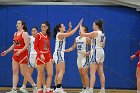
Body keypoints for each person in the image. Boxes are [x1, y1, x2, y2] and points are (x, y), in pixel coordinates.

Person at [1, 20, 36, 93]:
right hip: (15, 54)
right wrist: (6, 51)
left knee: (24, 72)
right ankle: (14, 89)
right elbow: (14, 45)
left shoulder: (24, 33)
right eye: (16, 23)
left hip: (22, 54)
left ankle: (34, 86)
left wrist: (20, 51)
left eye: (19, 23)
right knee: (15, 72)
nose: (17, 24)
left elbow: (26, 45)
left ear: (22, 25)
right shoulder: (15, 33)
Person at [53, 19, 83, 93]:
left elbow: (67, 33)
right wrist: (78, 25)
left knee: (58, 72)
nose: (64, 26)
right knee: (62, 71)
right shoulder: (59, 34)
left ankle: (56, 88)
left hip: (57, 53)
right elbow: (69, 34)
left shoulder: (60, 34)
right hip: (59, 53)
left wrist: (70, 28)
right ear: (59, 28)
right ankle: (58, 88)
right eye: (63, 26)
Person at [80, 19, 106, 93]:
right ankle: (103, 89)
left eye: (93, 25)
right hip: (101, 52)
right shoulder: (103, 34)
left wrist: (80, 26)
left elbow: (83, 34)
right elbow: (103, 45)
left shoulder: (95, 32)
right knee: (101, 72)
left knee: (92, 73)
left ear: (97, 26)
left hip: (96, 51)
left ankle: (91, 89)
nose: (92, 26)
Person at [64, 26, 90, 93]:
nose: (80, 31)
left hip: (85, 57)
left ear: (85, 31)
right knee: (81, 74)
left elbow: (94, 46)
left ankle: (88, 89)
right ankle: (84, 88)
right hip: (79, 57)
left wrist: (89, 52)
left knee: (85, 73)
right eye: (79, 30)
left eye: (81, 30)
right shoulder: (77, 38)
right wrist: (66, 50)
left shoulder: (87, 38)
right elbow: (73, 47)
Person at [34, 21, 53, 93]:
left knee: (50, 73)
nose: (43, 28)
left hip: (47, 55)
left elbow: (48, 48)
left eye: (44, 26)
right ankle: (39, 89)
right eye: (42, 26)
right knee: (40, 73)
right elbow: (35, 47)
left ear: (47, 27)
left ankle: (48, 89)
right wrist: (40, 54)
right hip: (40, 56)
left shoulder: (48, 36)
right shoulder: (38, 35)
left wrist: (50, 57)